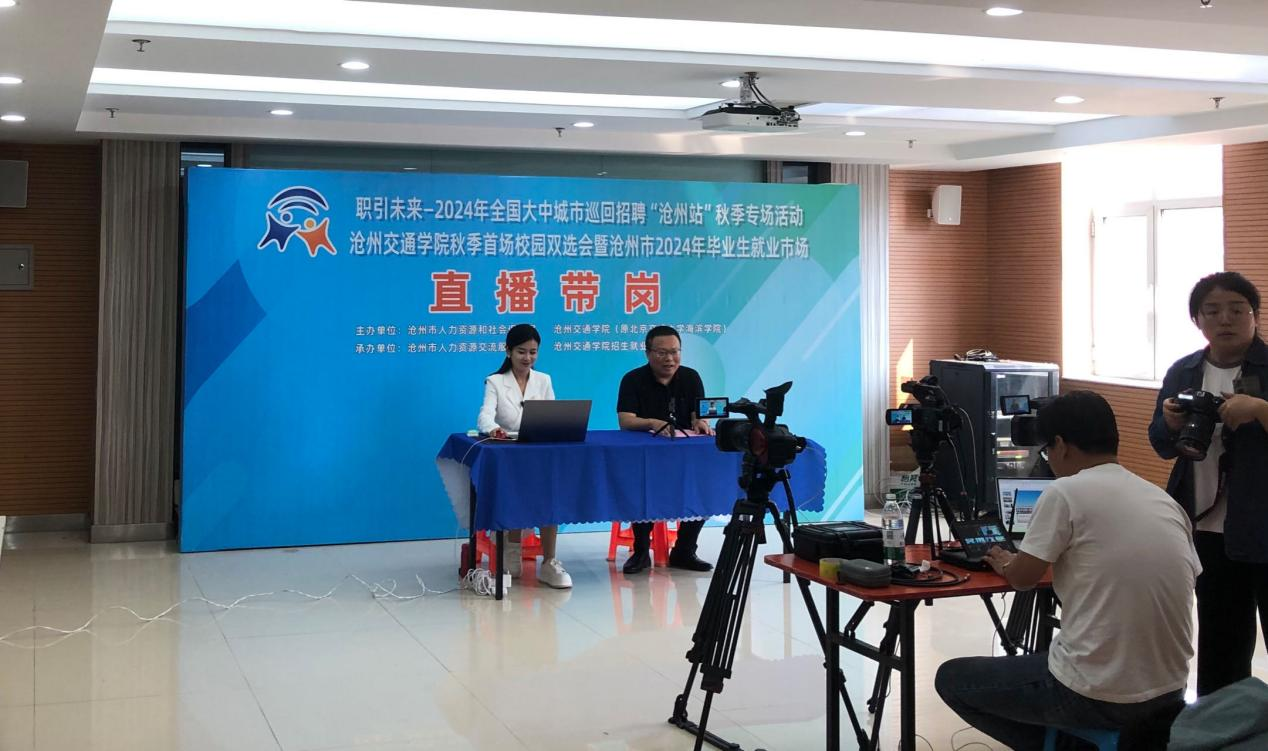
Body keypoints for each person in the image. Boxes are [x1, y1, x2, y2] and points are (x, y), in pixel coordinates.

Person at [936, 391, 1199, 750]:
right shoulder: (1163, 500)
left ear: (1060, 445)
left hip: (1097, 694)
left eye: (1046, 450)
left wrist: (1005, 561)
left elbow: (1023, 579)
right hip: (1170, 693)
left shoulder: (1064, 492)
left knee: (951, 679)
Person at [1149, 271, 1268, 697]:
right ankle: (1219, 725)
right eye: (1212, 311)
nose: (1225, 319)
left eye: (1237, 310)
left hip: (1263, 526)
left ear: (1255, 316)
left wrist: (1260, 410)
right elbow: (1160, 444)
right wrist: (1170, 423)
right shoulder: (1184, 371)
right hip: (1206, 528)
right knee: (1220, 643)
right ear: (1197, 320)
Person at [476, 324, 571, 589]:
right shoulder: (495, 381)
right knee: (515, 494)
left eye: (533, 352)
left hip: (539, 453)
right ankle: (511, 549)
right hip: (510, 454)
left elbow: (552, 414)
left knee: (551, 494)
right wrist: (493, 429)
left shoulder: (544, 380)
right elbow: (484, 415)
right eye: (521, 352)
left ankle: (549, 561)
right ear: (508, 351)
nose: (527, 358)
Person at [615, 325, 716, 574]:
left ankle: (684, 550)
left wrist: (701, 422)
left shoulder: (691, 377)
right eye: (662, 353)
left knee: (704, 487)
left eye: (675, 352)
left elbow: (698, 415)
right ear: (648, 353)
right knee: (642, 487)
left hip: (684, 456)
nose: (669, 359)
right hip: (646, 457)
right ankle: (641, 552)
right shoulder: (633, 379)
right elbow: (626, 421)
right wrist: (652, 422)